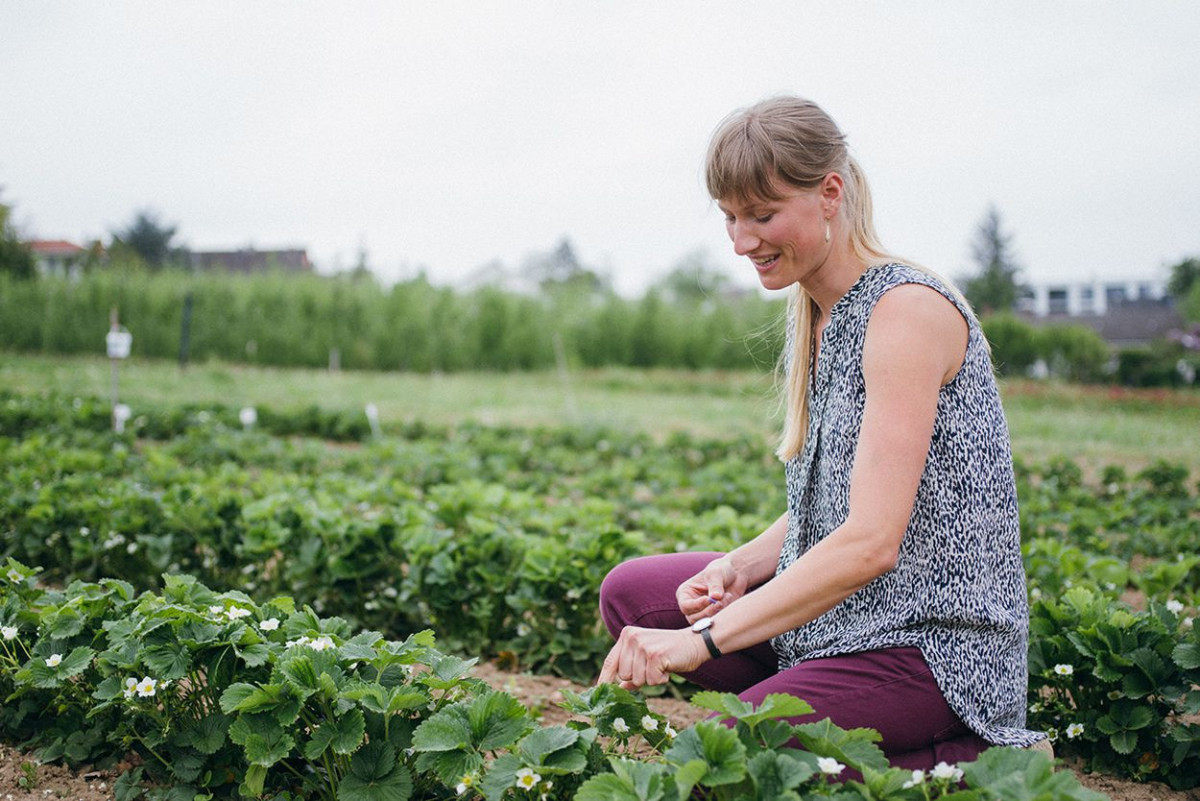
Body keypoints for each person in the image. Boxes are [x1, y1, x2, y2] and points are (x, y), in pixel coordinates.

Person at [596, 95, 1046, 770]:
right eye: (730, 216)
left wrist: (707, 639)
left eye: (763, 213)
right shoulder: (819, 311)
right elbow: (835, 498)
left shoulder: (905, 312)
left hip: (927, 649)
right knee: (634, 596)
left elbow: (870, 540)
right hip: (840, 624)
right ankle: (822, 707)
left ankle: (956, 747)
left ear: (828, 193)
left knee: (746, 747)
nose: (743, 240)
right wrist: (739, 566)